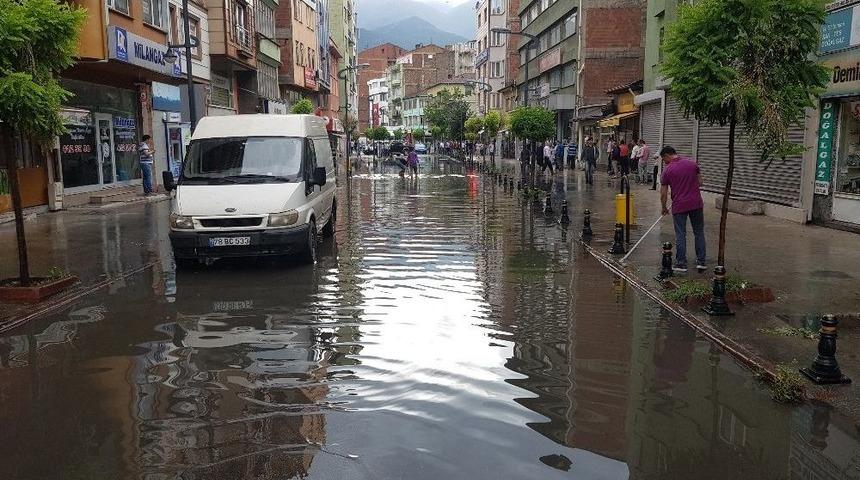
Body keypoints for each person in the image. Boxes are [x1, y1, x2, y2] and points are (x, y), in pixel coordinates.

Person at [660, 145, 706, 273]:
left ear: (667, 155)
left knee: (681, 234)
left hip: (679, 205)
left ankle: (681, 263)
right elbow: (700, 182)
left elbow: (663, 193)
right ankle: (701, 262)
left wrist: (664, 208)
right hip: (696, 203)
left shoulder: (668, 170)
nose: (665, 162)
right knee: (699, 232)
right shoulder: (692, 164)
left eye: (664, 160)